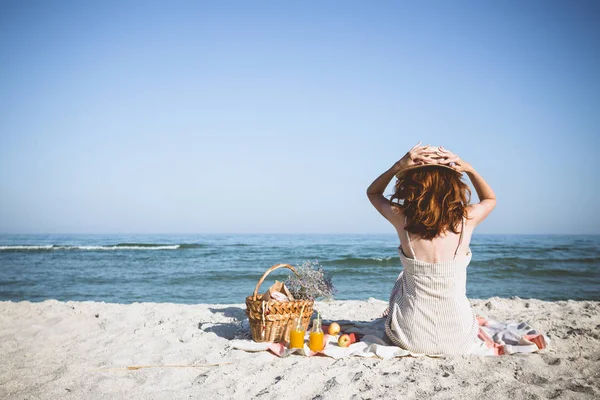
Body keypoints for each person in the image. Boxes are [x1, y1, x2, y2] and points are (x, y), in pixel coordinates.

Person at [366, 142, 496, 355]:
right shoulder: (467, 219)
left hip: (409, 336)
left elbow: (373, 193)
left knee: (403, 280)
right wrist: (469, 168)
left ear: (412, 184)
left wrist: (397, 166)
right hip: (459, 338)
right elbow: (490, 199)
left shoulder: (402, 219)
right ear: (452, 183)